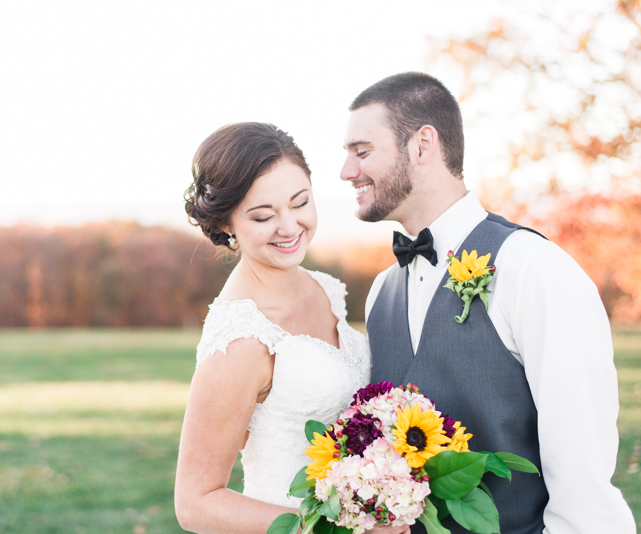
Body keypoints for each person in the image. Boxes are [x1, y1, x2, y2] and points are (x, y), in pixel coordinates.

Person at [341, 72, 636, 533]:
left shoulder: (532, 268)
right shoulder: (382, 289)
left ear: (422, 146)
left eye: (361, 152)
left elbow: (581, 474)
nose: (347, 172)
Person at [175, 123, 409, 534]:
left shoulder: (325, 289)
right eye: (263, 216)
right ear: (227, 223)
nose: (289, 227)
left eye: (300, 202)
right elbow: (195, 503)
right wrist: (340, 529)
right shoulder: (241, 338)